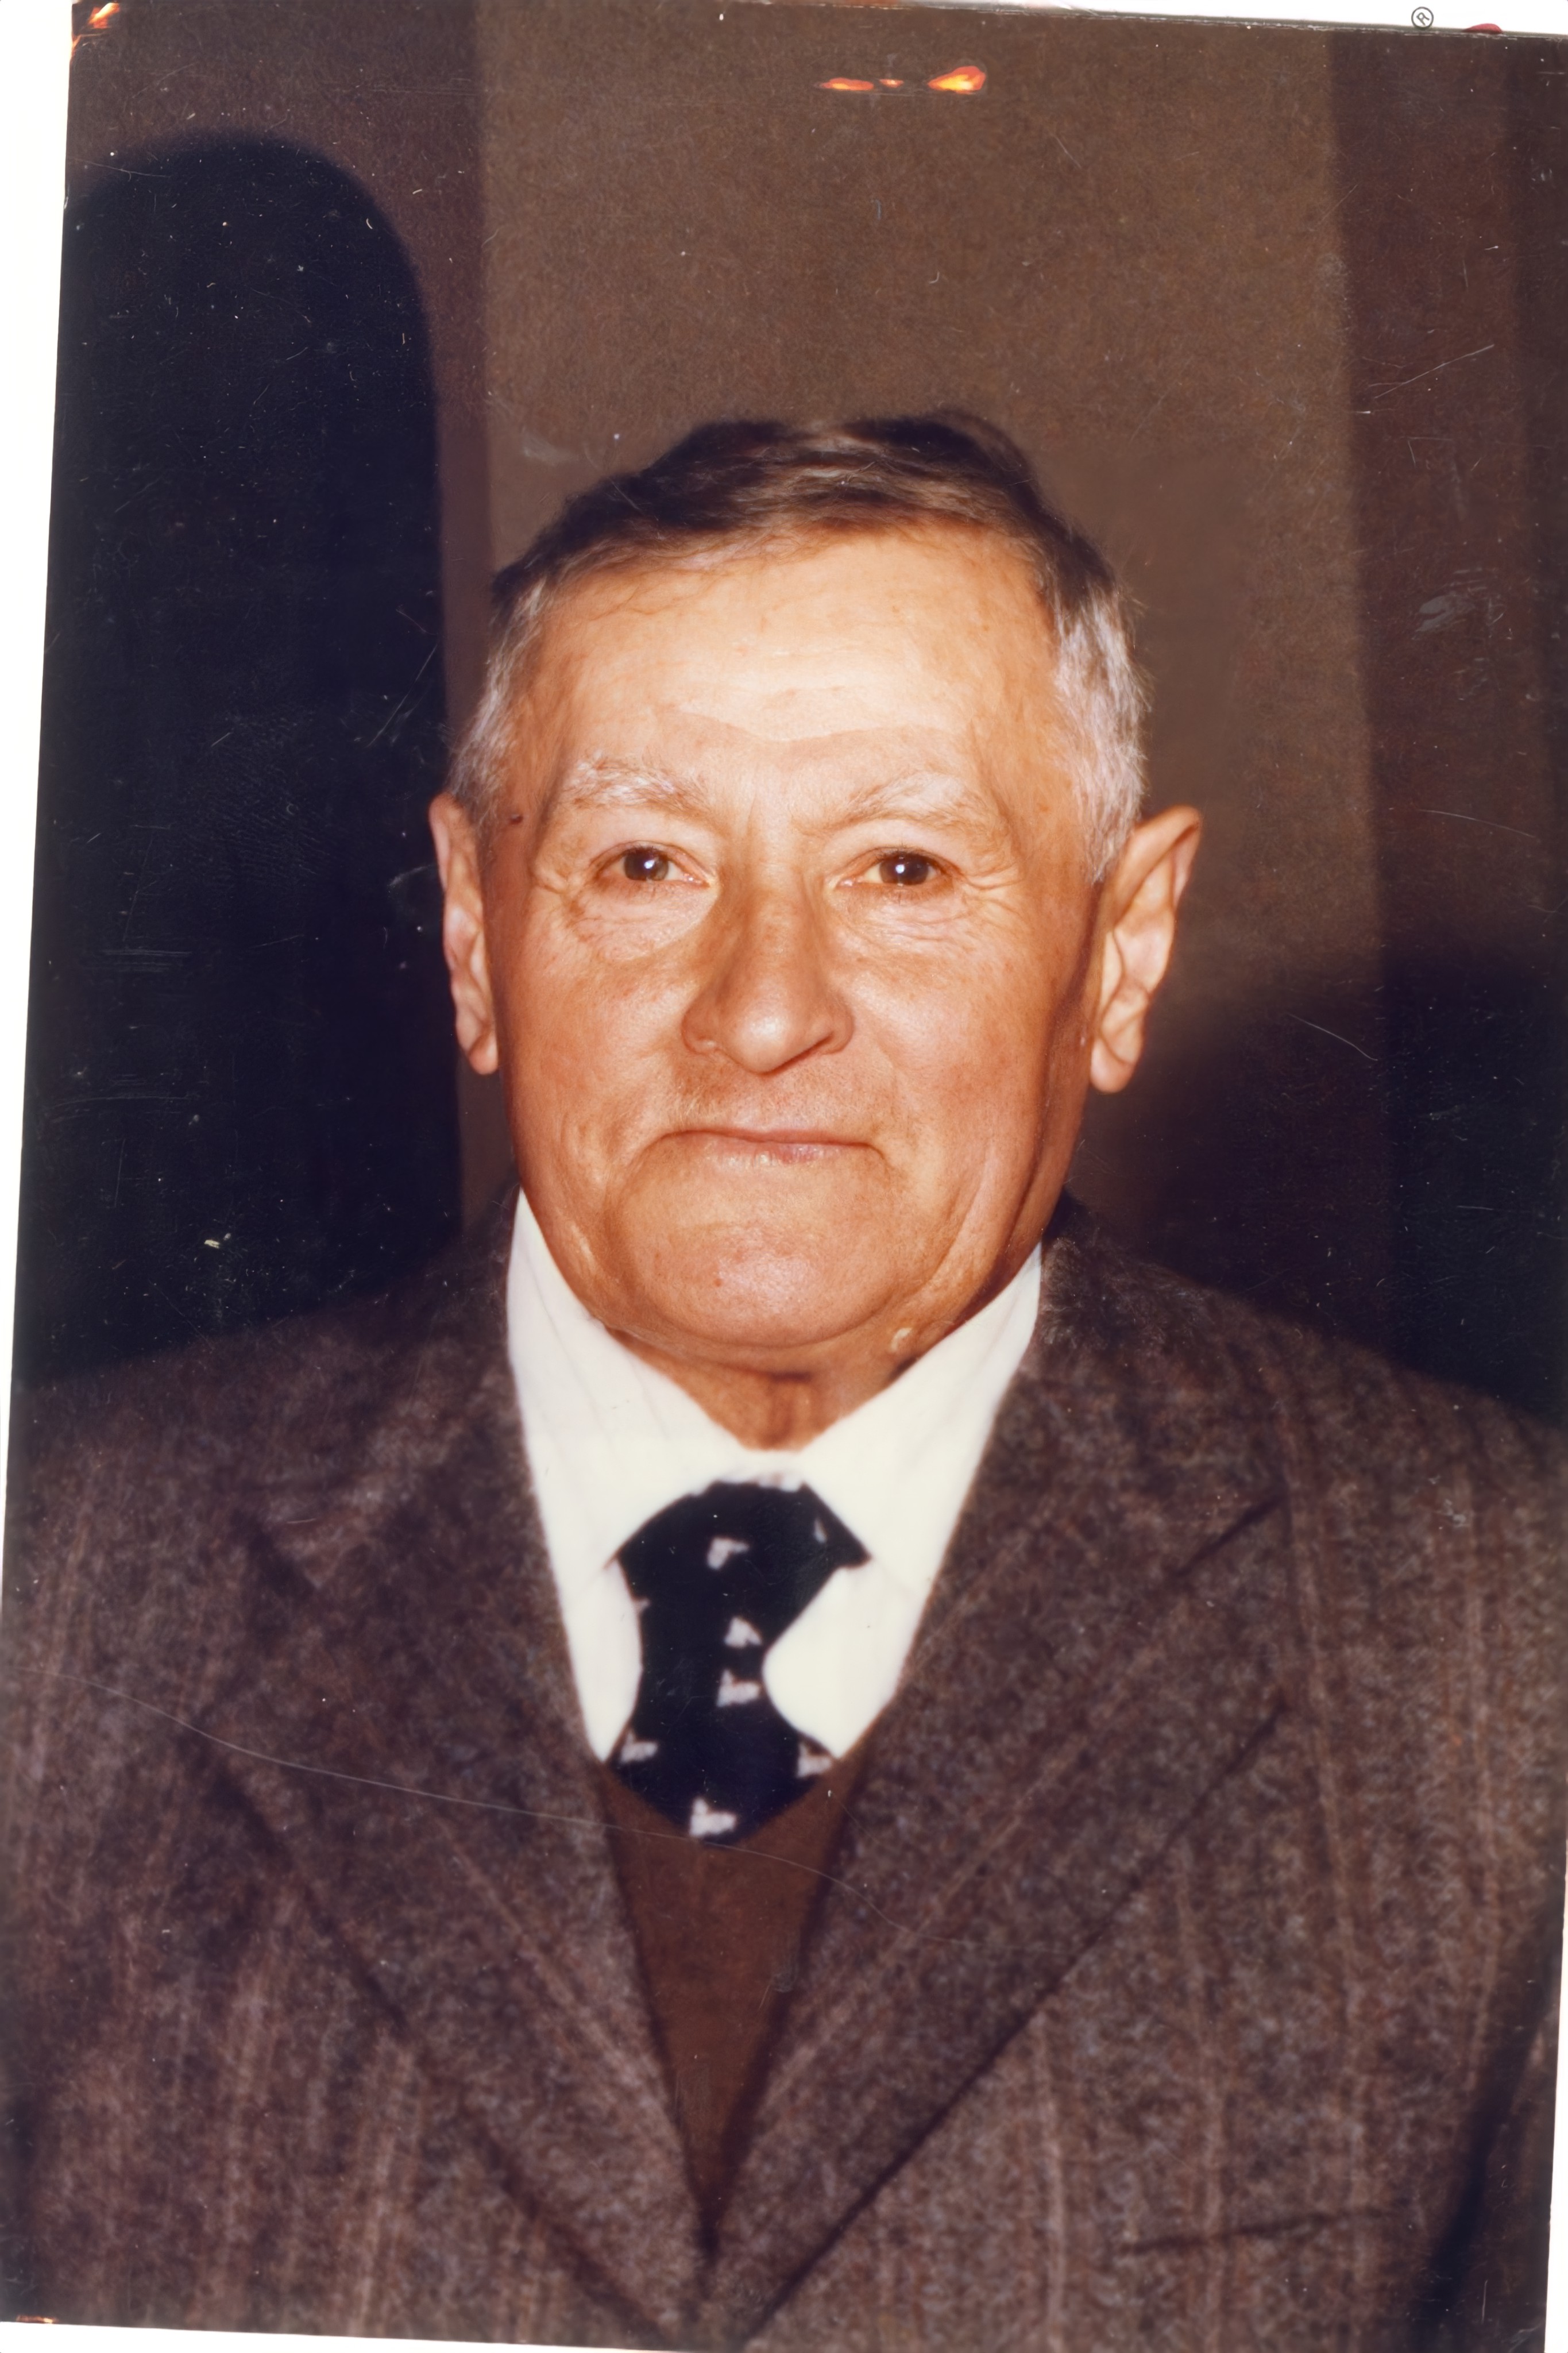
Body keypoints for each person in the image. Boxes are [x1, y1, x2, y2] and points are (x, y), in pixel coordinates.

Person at [1, 415, 1562, 2351]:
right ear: (475, 932)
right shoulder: (60, 1580)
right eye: (644, 862)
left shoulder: (1498, 1630)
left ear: (1122, 948)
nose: (759, 1011)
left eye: (901, 867)